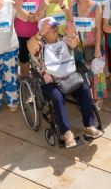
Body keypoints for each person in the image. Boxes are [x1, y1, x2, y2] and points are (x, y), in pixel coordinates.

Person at [27, 17, 103, 148]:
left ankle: (89, 126)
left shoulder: (62, 39)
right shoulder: (39, 44)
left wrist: (71, 34)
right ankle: (66, 133)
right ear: (43, 30)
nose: (55, 29)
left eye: (55, 26)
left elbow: (74, 44)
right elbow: (29, 46)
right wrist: (39, 34)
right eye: (51, 27)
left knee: (85, 89)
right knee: (57, 97)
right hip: (49, 81)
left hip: (69, 76)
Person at [66, 0, 105, 107]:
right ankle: (86, 98)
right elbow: (71, 27)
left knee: (98, 73)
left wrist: (98, 47)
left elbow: (99, 28)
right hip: (78, 46)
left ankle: (99, 99)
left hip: (93, 44)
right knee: (82, 73)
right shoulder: (72, 8)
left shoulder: (96, 6)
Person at [13, 0, 46, 78]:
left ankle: (41, 84)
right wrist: (31, 16)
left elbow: (43, 10)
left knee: (39, 60)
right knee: (24, 61)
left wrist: (30, 16)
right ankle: (26, 82)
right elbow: (16, 13)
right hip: (21, 35)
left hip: (37, 35)